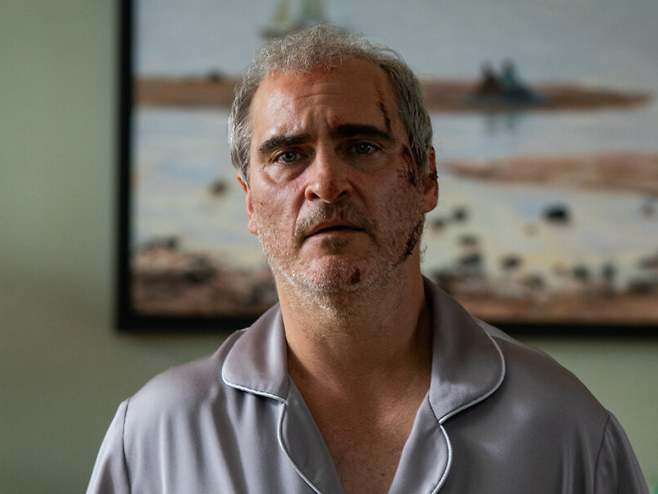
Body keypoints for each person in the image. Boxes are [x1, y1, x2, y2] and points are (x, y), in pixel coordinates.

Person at [86, 25, 648, 494]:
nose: (325, 183)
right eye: (288, 155)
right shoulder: (156, 438)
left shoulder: (565, 428)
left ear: (426, 178)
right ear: (250, 203)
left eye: (361, 146)